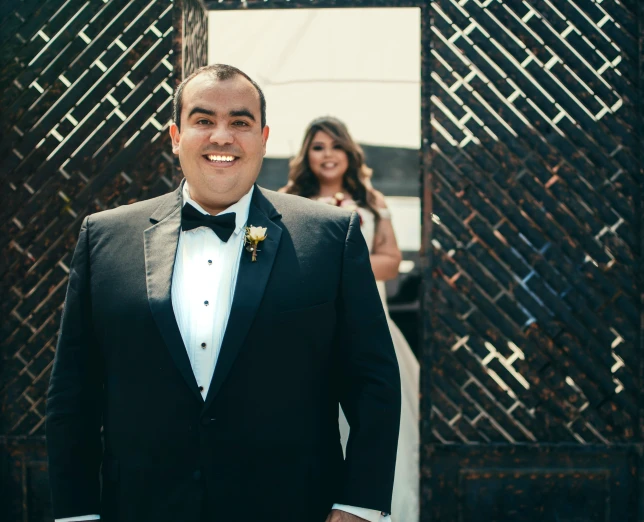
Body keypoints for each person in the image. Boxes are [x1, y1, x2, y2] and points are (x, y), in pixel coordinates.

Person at [45, 65, 401, 522]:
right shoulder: (103, 237)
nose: (222, 136)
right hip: (141, 507)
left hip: (292, 506)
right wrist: (75, 513)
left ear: (264, 136)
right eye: (203, 120)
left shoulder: (331, 236)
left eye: (239, 121)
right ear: (176, 135)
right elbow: (73, 392)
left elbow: (374, 381)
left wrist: (360, 505)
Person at [281, 117, 419, 522]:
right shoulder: (289, 199)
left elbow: (392, 261)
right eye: (319, 147)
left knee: (376, 416)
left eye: (336, 146)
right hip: (313, 328)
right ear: (307, 154)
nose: (328, 155)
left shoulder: (373, 200)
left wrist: (343, 265)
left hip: (368, 323)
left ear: (349, 153)